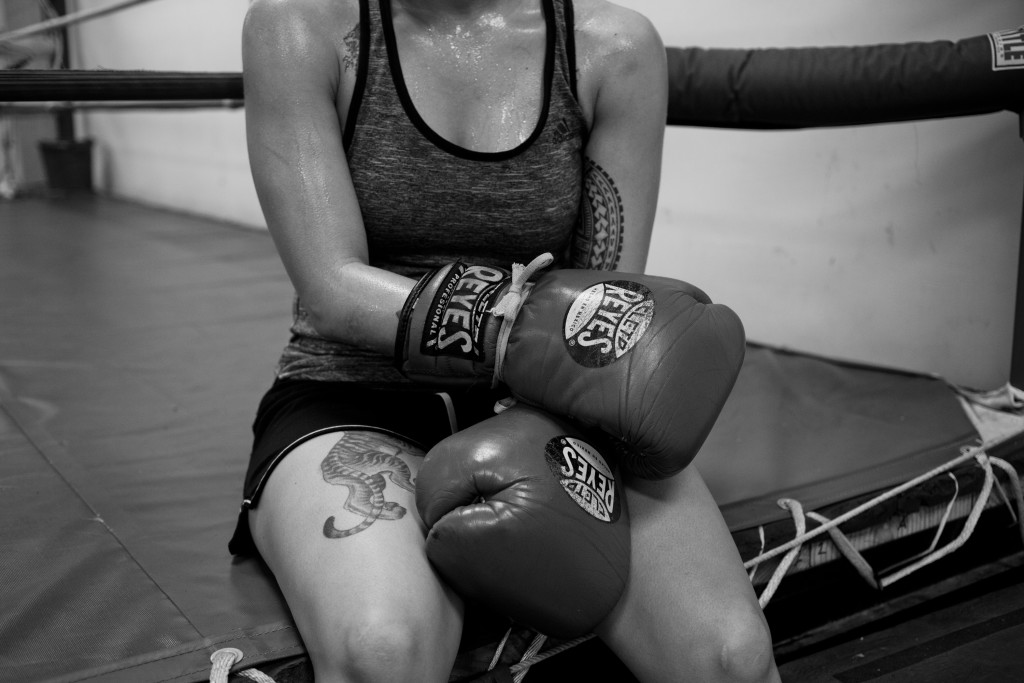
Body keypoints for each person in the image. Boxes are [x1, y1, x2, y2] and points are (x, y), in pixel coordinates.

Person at [229, 0, 781, 681]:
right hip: (357, 395)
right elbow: (332, 287)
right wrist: (512, 326)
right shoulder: (303, 26)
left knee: (730, 657)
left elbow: (605, 295)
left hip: (554, 404)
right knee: (384, 651)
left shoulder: (611, 47)